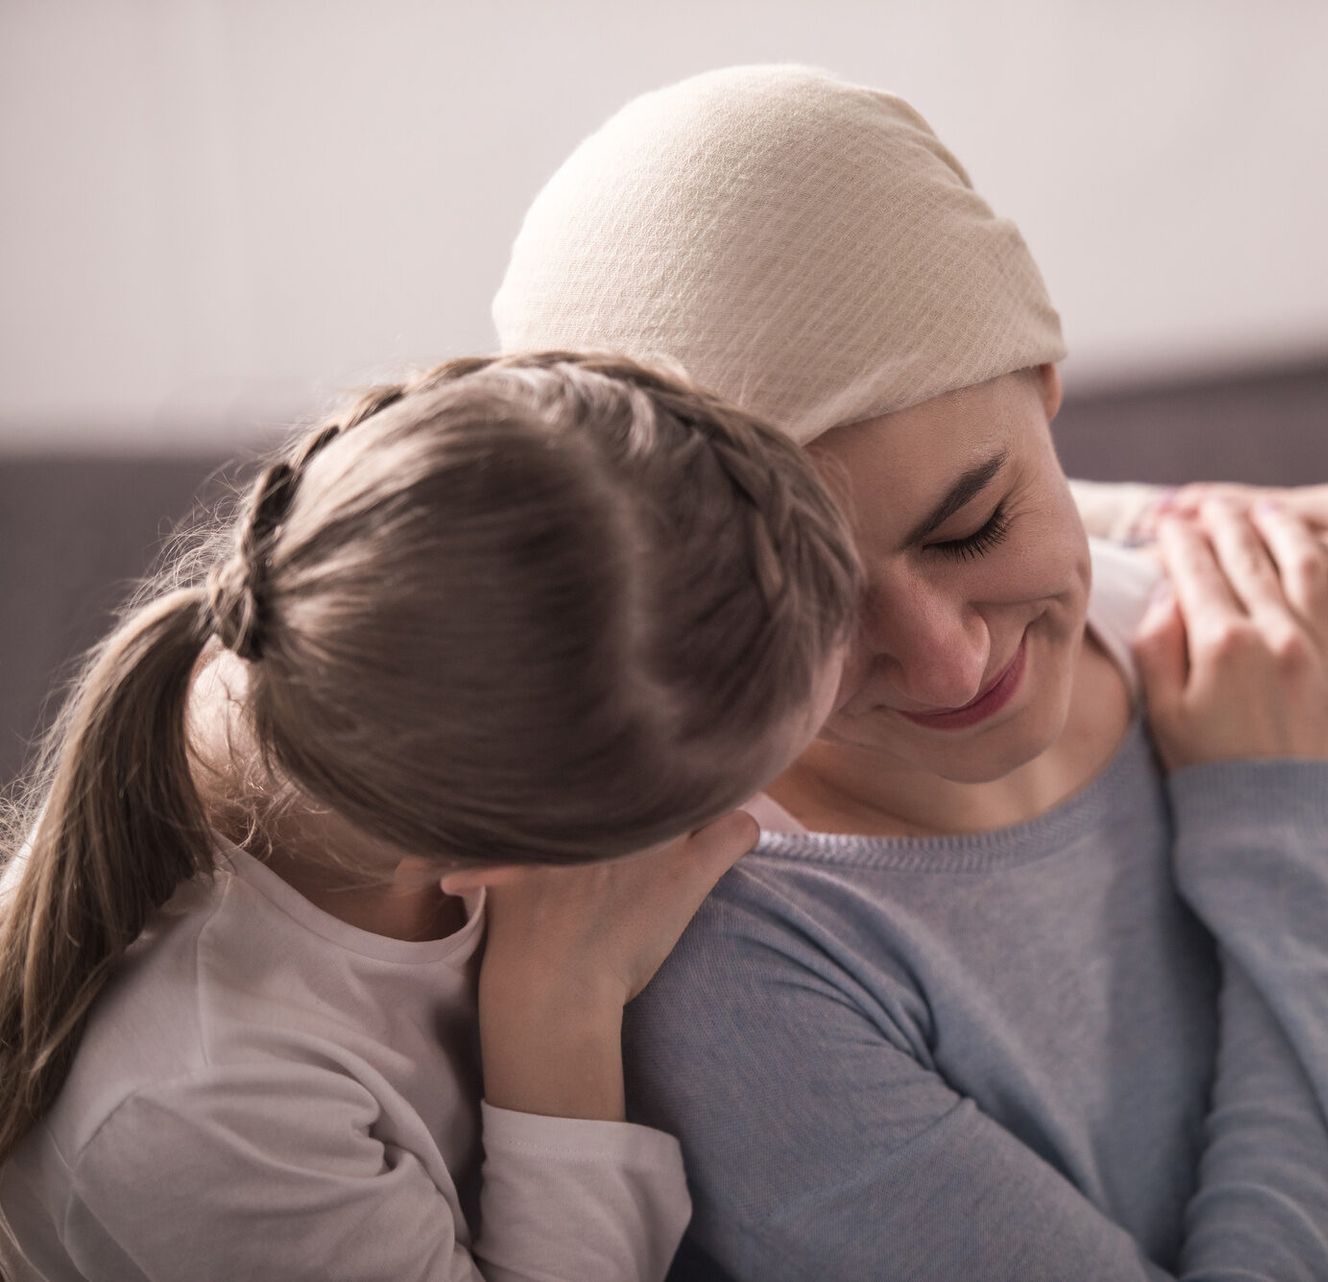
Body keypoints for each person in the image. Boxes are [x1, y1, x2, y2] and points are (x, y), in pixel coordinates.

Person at [495, 66, 1328, 1282]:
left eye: (974, 523)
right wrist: (1290, 838)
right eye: (810, 610)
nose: (950, 658)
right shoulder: (741, 952)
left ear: (1048, 379)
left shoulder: (1255, 665)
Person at [0, 352, 861, 1281]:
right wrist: (558, 1004)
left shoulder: (377, 678)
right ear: (513, 848)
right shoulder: (200, 1106)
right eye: (709, 807)